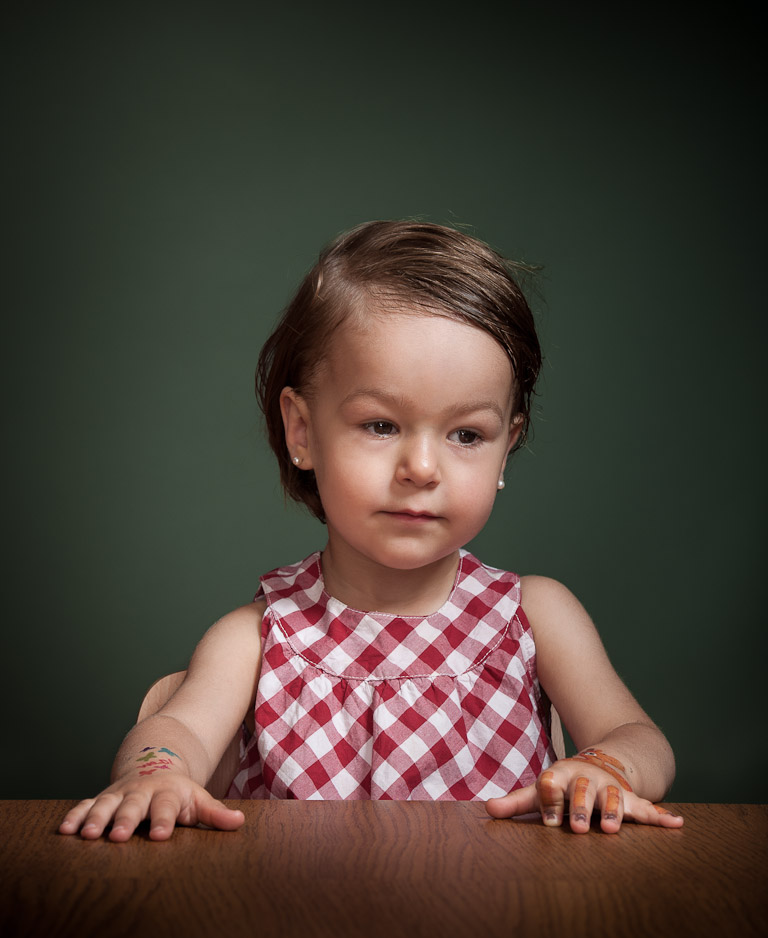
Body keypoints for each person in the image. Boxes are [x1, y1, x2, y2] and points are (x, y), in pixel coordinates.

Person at [59, 220, 683, 842]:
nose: (421, 469)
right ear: (302, 431)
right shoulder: (258, 637)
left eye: (467, 435)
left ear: (506, 448)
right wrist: (157, 774)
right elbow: (176, 732)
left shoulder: (533, 615)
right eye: (381, 425)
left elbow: (639, 739)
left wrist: (605, 767)